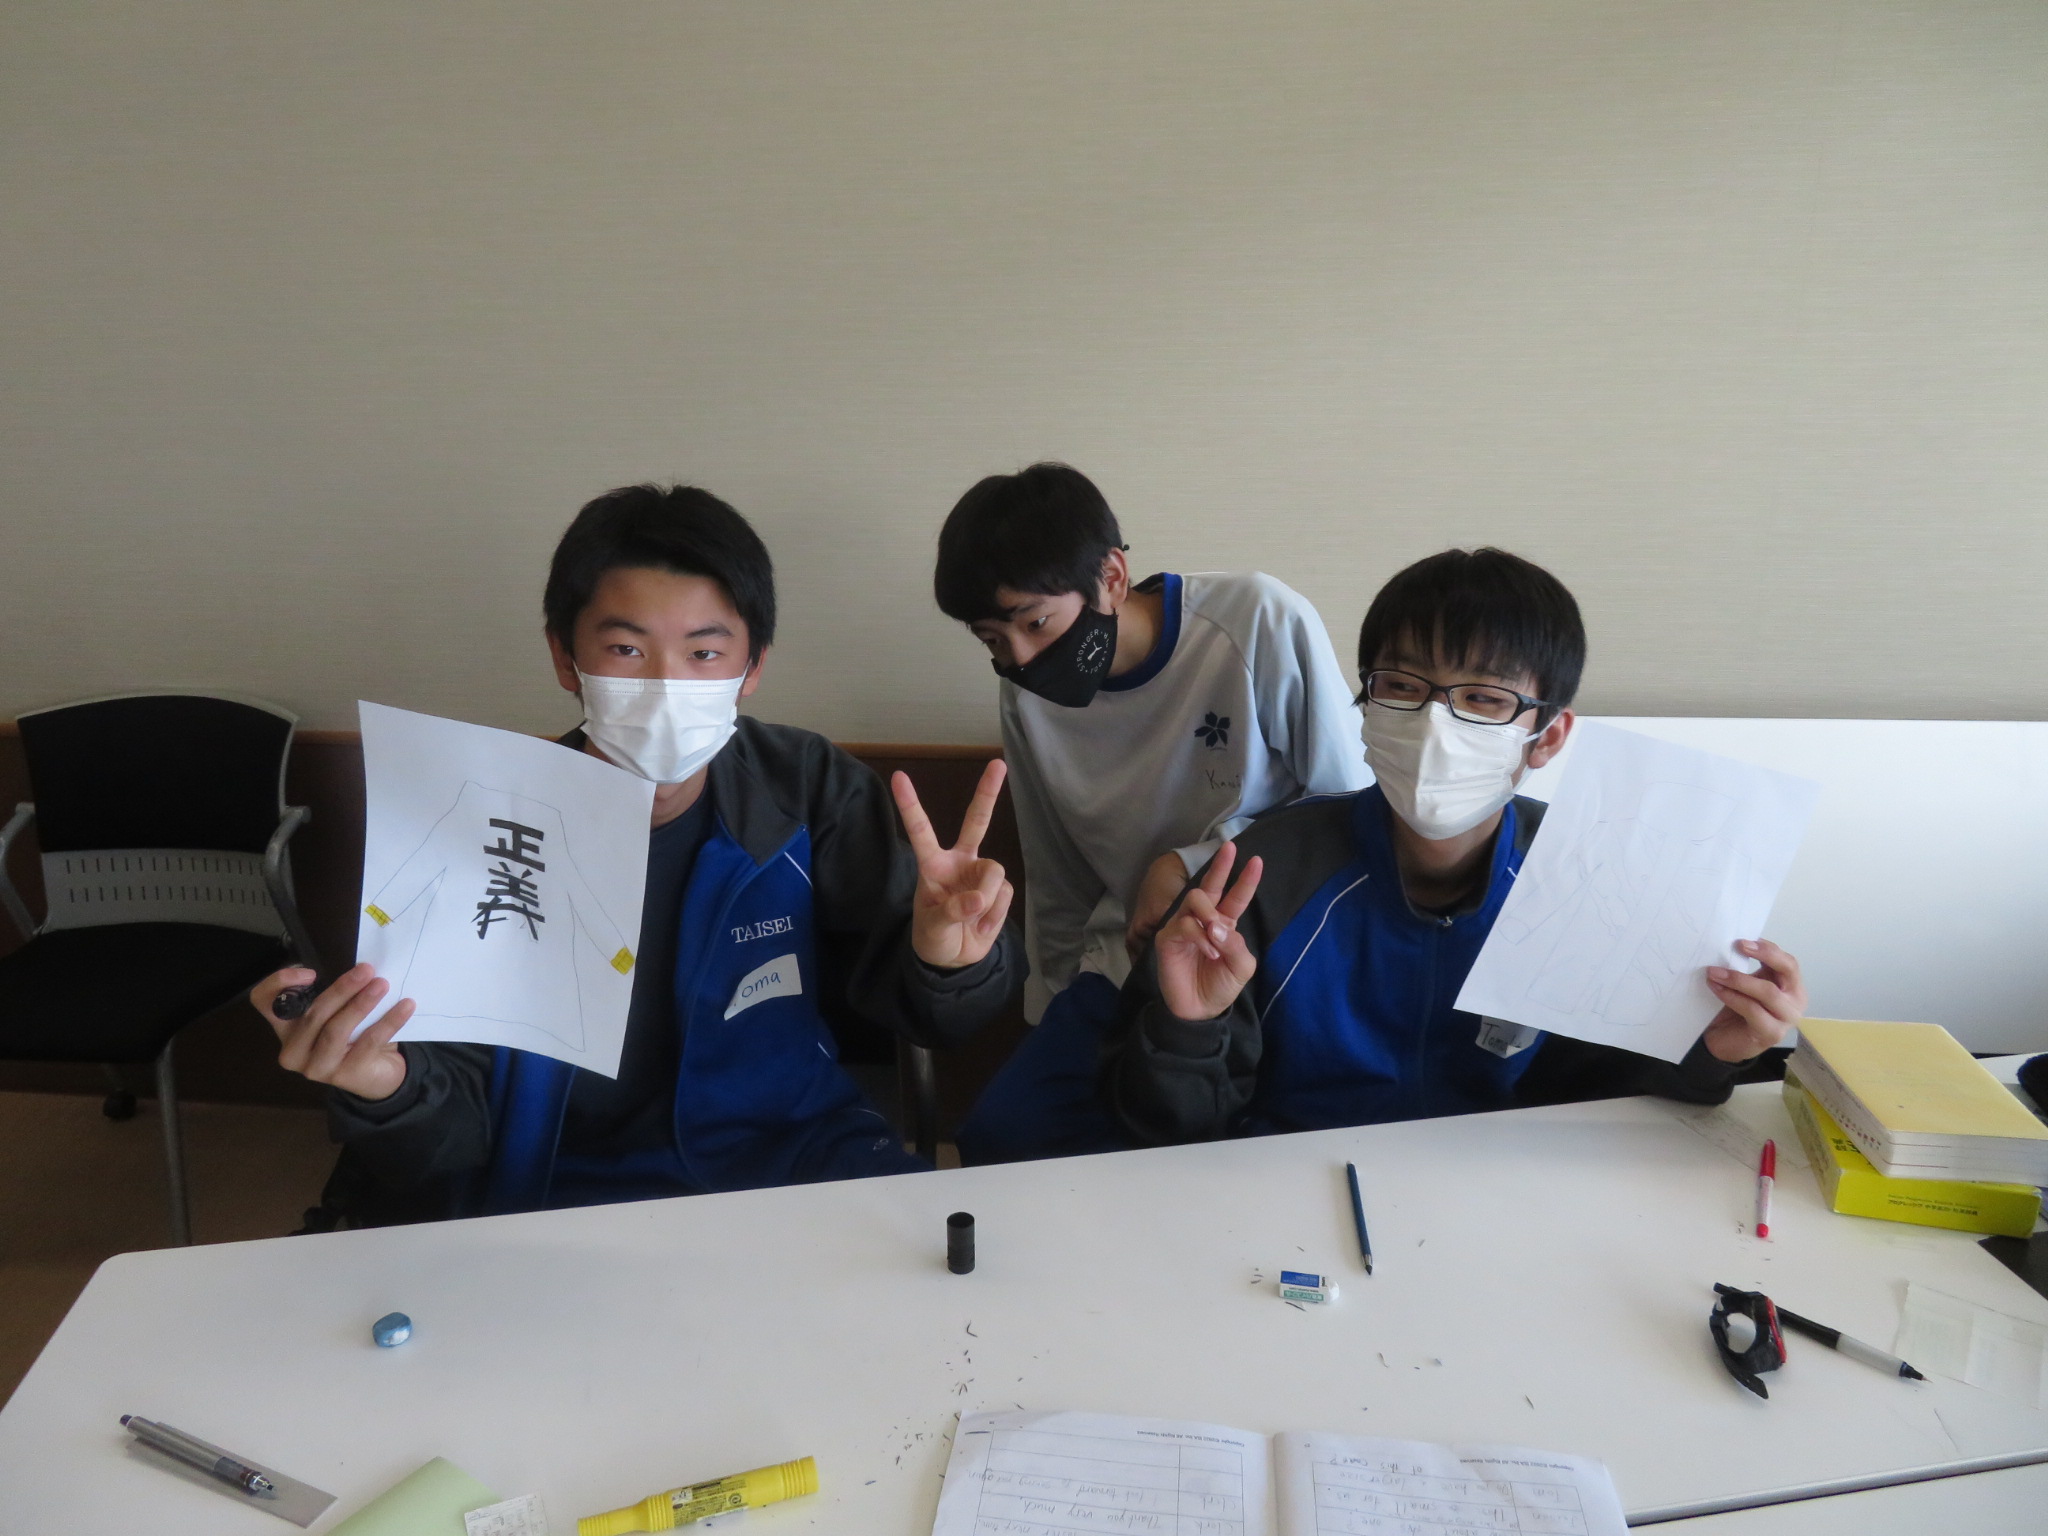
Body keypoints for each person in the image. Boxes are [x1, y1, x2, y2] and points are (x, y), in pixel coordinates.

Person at [254, 484, 1022, 1223]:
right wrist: (384, 1085)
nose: (664, 686)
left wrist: (949, 962)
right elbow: (446, 1133)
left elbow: (931, 1014)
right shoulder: (478, 828)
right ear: (566, 658)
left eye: (704, 653)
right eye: (626, 648)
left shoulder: (806, 788)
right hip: (564, 1184)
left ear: (753, 667)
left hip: (788, 1153)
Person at [1106, 547, 1808, 1145]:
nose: (1435, 724)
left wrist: (1710, 1052)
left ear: (1548, 736)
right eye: (1402, 687)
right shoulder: (1261, 881)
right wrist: (1185, 1032)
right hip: (1294, 1199)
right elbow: (1164, 1135)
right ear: (1366, 706)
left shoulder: (1592, 877)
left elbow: (1616, 1104)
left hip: (1512, 1199)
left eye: (1484, 699)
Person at [929, 462, 1368, 1162]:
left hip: (1270, 953)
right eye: (992, 641)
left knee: (1247, 1149)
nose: (1022, 659)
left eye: (1036, 623)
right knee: (1003, 1139)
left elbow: (1350, 810)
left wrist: (1188, 866)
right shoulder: (1025, 696)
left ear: (1111, 576)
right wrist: (1053, 1015)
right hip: (1126, 960)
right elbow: (1056, 870)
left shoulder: (1255, 620)